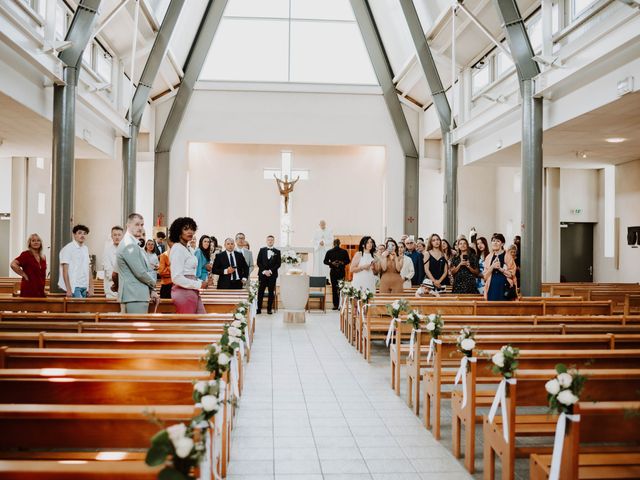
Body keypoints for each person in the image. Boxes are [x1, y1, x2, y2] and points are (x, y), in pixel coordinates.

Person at [115, 214, 158, 313]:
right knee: (137, 326)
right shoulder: (129, 244)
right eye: (137, 224)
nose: (140, 228)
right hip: (134, 295)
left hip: (135, 294)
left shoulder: (133, 243)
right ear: (128, 225)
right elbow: (140, 272)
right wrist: (153, 284)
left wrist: (151, 290)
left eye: (142, 225)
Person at [169, 217, 208, 313]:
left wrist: (202, 282)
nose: (190, 232)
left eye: (191, 229)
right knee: (189, 324)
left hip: (191, 290)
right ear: (178, 231)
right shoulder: (177, 248)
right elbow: (176, 277)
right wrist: (199, 284)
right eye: (186, 229)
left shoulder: (188, 248)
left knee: (200, 321)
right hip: (183, 293)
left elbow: (190, 272)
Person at [59, 224, 93, 298]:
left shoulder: (85, 249)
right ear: (74, 235)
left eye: (84, 233)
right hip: (74, 286)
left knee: (84, 309)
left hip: (85, 285)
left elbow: (88, 268)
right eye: (80, 233)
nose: (82, 235)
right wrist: (68, 289)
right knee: (79, 308)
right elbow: (65, 270)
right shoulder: (68, 248)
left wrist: (91, 287)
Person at [11, 233, 46, 298]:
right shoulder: (26, 255)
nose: (36, 242)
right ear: (29, 243)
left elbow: (43, 274)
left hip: (40, 289)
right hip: (29, 287)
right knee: (28, 307)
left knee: (40, 308)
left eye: (38, 240)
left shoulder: (43, 257)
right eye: (33, 240)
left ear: (40, 243)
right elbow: (13, 264)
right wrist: (24, 274)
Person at [484, 233, 517, 301]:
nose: (495, 243)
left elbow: (512, 274)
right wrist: (492, 266)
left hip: (504, 286)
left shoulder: (507, 256)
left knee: (505, 309)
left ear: (502, 244)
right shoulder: (488, 257)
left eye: (498, 241)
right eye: (493, 241)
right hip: (491, 286)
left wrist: (500, 269)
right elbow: (485, 276)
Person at [257, 235, 281, 314]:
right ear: (266, 241)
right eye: (269, 240)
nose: (270, 241)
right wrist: (264, 271)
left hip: (272, 275)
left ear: (274, 241)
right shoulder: (262, 250)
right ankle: (259, 308)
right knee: (261, 292)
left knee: (271, 292)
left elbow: (278, 264)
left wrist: (270, 271)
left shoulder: (277, 252)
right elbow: (258, 262)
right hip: (262, 275)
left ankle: (269, 309)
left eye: (271, 240)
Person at [323, 238, 351, 310]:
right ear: (340, 243)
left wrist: (331, 263)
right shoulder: (344, 251)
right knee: (341, 288)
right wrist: (342, 262)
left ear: (333, 243)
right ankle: (340, 305)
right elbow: (348, 261)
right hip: (341, 271)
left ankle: (335, 305)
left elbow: (325, 261)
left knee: (334, 289)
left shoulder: (329, 251)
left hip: (333, 271)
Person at [102, 226, 123, 299]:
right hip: (111, 290)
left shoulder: (126, 250)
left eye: (119, 235)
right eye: (115, 235)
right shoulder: (107, 251)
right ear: (111, 236)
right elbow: (109, 273)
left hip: (125, 290)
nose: (117, 237)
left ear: (122, 236)